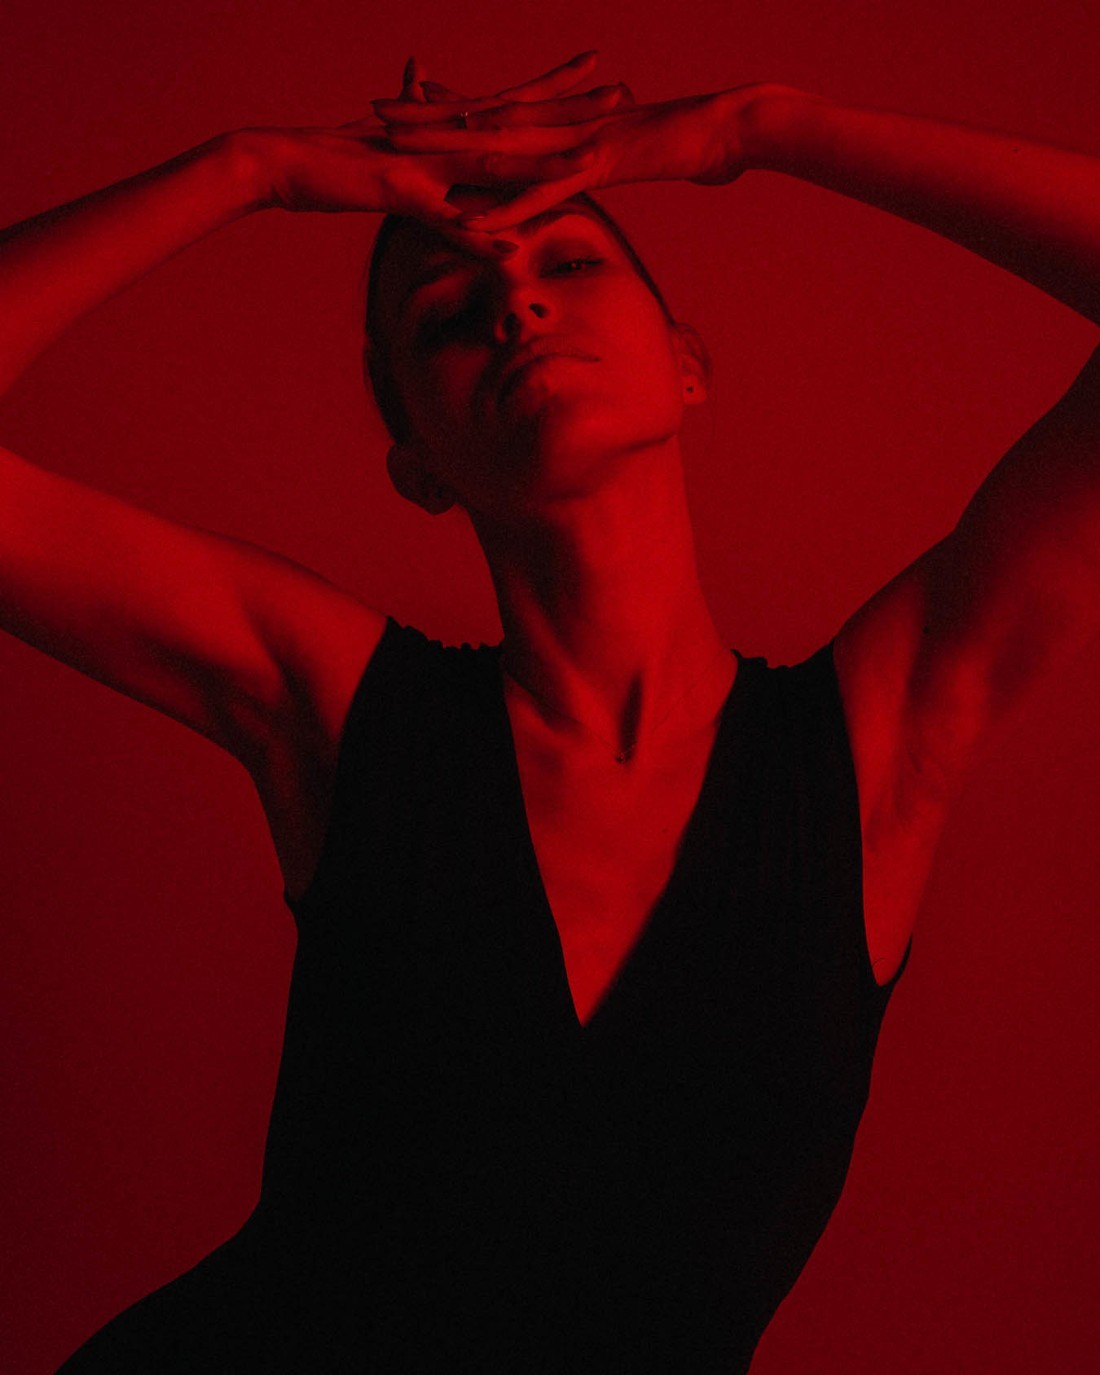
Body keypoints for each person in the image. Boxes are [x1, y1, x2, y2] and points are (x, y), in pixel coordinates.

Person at [2, 47, 1095, 1374]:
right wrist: (253, 170)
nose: (514, 302)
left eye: (567, 263)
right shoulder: (342, 710)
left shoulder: (872, 750)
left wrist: (758, 127)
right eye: (447, 317)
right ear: (417, 462)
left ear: (687, 364)